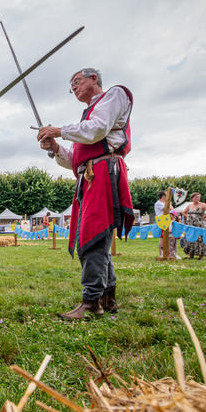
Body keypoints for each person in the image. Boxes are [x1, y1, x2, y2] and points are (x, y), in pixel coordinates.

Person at [37, 67, 134, 319]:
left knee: (93, 237)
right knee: (95, 238)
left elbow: (97, 130)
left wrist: (59, 130)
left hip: (102, 171)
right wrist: (56, 146)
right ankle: (106, 297)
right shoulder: (87, 118)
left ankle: (92, 302)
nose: (74, 88)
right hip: (90, 175)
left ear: (94, 79)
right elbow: (74, 160)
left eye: (77, 81)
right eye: (72, 86)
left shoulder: (114, 96)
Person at [181, 193, 206, 259]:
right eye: (196, 197)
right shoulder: (189, 205)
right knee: (190, 239)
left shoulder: (202, 205)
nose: (197, 198)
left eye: (198, 197)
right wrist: (189, 216)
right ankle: (190, 255)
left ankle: (201, 255)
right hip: (190, 224)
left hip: (199, 224)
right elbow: (184, 212)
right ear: (192, 198)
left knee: (200, 239)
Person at [154, 190, 178, 259]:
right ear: (164, 196)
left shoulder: (165, 203)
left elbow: (174, 211)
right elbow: (168, 209)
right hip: (163, 221)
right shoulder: (159, 203)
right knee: (162, 237)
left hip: (168, 221)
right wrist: (170, 204)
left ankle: (171, 252)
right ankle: (161, 253)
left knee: (170, 237)